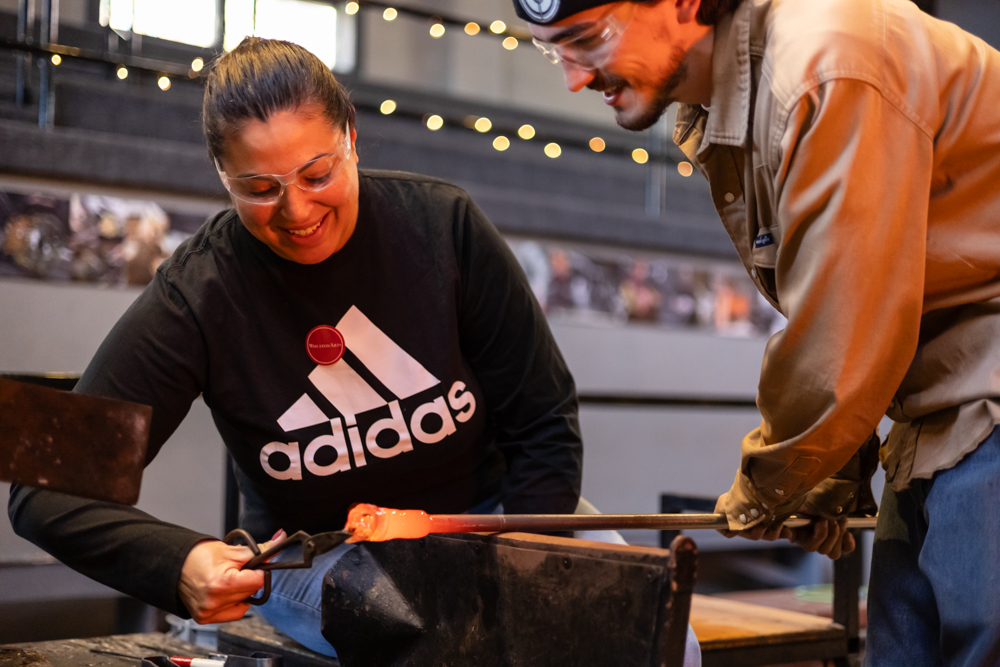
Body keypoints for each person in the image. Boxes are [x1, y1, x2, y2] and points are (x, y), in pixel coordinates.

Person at [9, 37, 597, 658]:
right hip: (323, 555)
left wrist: (519, 572)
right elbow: (44, 491)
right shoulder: (199, 293)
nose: (296, 211)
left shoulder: (443, 225)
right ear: (222, 176)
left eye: (318, 174)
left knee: (637, 620)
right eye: (259, 188)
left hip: (493, 521)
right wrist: (181, 561)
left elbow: (543, 419)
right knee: (444, 640)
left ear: (352, 139)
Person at [514, 0, 1000, 664]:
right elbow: (865, 298)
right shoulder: (731, 102)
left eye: (588, 38)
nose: (574, 77)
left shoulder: (823, 60)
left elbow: (844, 322)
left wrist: (766, 489)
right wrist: (824, 474)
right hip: (936, 411)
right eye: (554, 51)